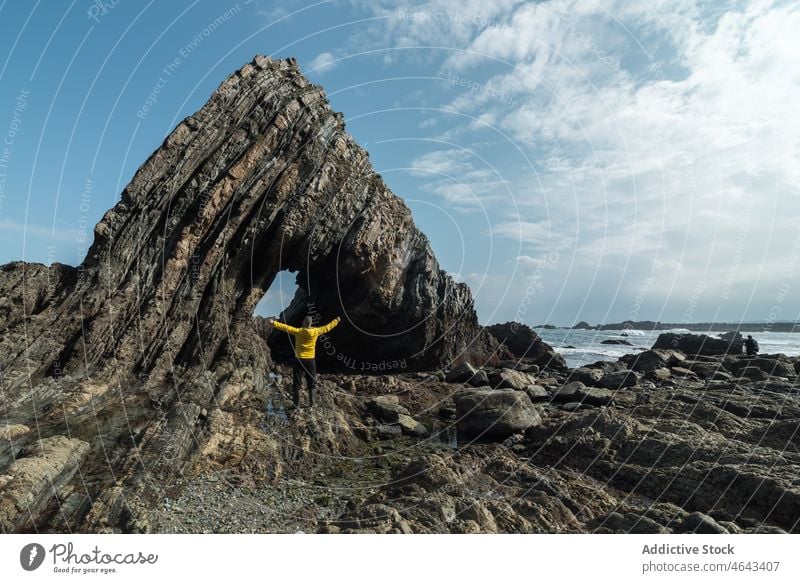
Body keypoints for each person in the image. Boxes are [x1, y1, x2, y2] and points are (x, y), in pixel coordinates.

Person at [267, 315, 341, 408]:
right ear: (311, 324)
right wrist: (336, 320)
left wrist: (273, 323)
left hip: (299, 360)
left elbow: (285, 328)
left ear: (303, 323)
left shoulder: (298, 332)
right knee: (312, 381)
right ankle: (313, 403)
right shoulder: (316, 331)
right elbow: (328, 327)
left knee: (297, 382)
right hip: (310, 361)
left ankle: (296, 404)